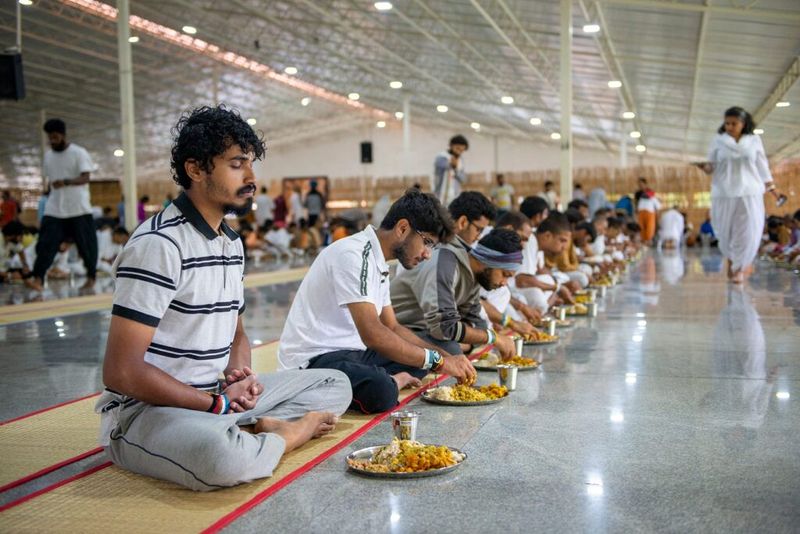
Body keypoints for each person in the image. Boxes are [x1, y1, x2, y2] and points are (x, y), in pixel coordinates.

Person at [96, 105, 351, 492]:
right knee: (222, 458)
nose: (251, 177)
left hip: (213, 396)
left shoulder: (230, 243)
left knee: (336, 384)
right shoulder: (159, 245)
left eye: (250, 163)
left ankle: (248, 425)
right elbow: (122, 372)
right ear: (195, 169)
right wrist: (214, 406)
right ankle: (283, 435)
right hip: (146, 410)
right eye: (236, 164)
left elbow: (237, 334)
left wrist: (241, 376)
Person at [278, 189, 475, 414]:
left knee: (442, 349)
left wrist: (446, 358)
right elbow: (373, 334)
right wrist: (438, 362)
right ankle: (393, 381)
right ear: (402, 228)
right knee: (381, 391)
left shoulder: (378, 260)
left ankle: (390, 378)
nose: (427, 254)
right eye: (427, 243)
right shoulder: (353, 254)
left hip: (354, 353)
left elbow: (392, 326)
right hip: (315, 360)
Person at [697, 106, 783, 284]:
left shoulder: (754, 140)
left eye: (733, 123)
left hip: (749, 193)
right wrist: (704, 167)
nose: (729, 126)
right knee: (725, 231)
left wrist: (772, 188)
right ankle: (732, 262)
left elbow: (762, 166)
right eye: (727, 123)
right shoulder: (718, 141)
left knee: (746, 231)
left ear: (743, 123)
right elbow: (711, 167)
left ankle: (739, 268)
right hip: (724, 193)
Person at [26, 118, 98, 292]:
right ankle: (38, 278)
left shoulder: (78, 152)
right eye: (50, 137)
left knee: (86, 245)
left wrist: (66, 182)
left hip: (78, 208)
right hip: (55, 208)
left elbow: (86, 177)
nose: (52, 140)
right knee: (45, 244)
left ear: (63, 135)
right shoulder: (48, 156)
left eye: (55, 136)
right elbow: (49, 180)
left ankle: (91, 276)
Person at [433, 134, 468, 205]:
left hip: (455, 196)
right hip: (441, 196)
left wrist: (455, 168)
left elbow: (463, 179)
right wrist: (451, 164)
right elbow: (443, 167)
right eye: (457, 148)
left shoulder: (460, 160)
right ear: (451, 145)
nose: (459, 152)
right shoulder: (441, 157)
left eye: (462, 150)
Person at [636, 178, 660, 245]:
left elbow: (657, 206)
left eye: (641, 184)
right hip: (641, 212)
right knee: (641, 227)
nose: (640, 185)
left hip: (649, 212)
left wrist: (657, 216)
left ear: (645, 184)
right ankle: (643, 241)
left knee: (650, 228)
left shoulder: (650, 192)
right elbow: (636, 203)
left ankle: (648, 240)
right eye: (639, 184)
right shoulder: (638, 194)